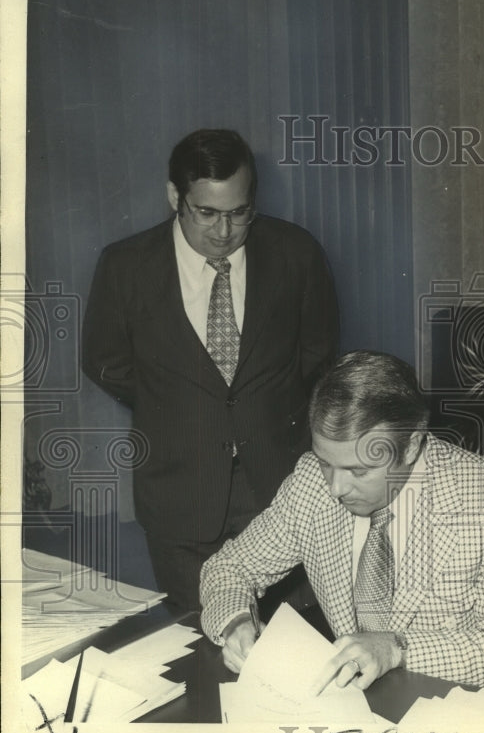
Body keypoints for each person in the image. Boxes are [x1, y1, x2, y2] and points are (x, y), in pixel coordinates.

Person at [82, 129, 339, 611]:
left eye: (239, 213)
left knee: (298, 646)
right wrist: (179, 402)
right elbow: (105, 361)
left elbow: (316, 354)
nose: (224, 232)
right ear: (175, 197)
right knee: (200, 648)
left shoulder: (295, 253)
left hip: (279, 489)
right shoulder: (125, 266)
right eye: (207, 213)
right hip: (182, 494)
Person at [200, 350, 484, 693]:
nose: (335, 488)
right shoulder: (311, 484)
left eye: (359, 471)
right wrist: (236, 622)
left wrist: (395, 648)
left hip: (460, 711)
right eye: (325, 462)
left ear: (410, 446)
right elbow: (229, 568)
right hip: (358, 710)